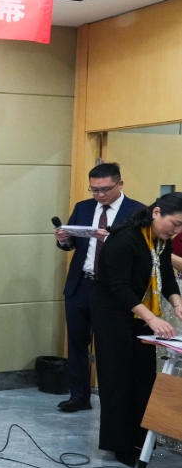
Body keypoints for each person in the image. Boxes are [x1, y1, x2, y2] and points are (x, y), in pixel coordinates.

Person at [90, 192, 182, 466]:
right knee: (118, 381)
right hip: (114, 317)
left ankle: (140, 439)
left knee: (143, 379)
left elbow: (166, 274)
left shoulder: (160, 239)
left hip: (139, 316)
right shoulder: (124, 239)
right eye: (175, 224)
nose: (176, 231)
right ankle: (119, 444)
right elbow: (118, 287)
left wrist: (177, 303)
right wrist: (152, 319)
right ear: (157, 213)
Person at [54, 163, 145, 412]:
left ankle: (112, 401)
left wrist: (111, 240)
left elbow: (141, 252)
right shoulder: (83, 207)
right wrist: (63, 240)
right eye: (94, 189)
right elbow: (72, 244)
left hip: (113, 289)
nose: (100, 195)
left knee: (109, 347)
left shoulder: (137, 211)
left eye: (105, 189)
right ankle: (79, 396)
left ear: (120, 184)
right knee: (77, 342)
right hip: (81, 283)